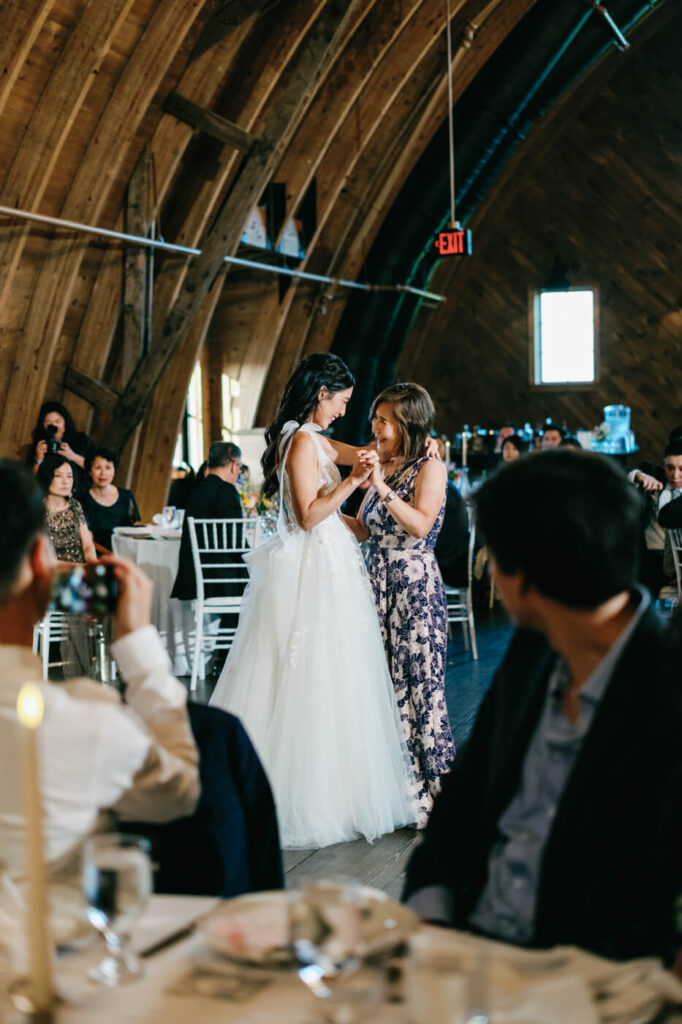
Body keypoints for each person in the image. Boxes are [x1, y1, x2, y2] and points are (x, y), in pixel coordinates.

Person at [403, 450, 682, 962]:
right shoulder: (534, 653)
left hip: (595, 981)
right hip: (464, 949)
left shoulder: (667, 686)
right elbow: (458, 812)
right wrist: (429, 918)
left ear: (524, 581)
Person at [210, 353, 414, 848]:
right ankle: (302, 796)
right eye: (341, 400)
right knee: (311, 671)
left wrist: (385, 445)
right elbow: (307, 515)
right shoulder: (301, 440)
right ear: (321, 394)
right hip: (310, 567)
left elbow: (352, 450)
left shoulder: (310, 437)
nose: (344, 409)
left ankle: (335, 790)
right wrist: (354, 483)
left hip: (327, 560)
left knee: (333, 671)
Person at [0, 460, 199, 879]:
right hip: (52, 937)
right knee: (217, 732)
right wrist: (140, 647)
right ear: (41, 563)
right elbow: (180, 791)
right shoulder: (84, 719)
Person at [359, 383, 455, 827]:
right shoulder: (385, 463)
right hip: (375, 586)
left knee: (420, 690)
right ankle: (393, 795)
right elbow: (365, 530)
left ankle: (436, 793)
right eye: (375, 417)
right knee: (383, 690)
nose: (374, 426)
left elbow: (419, 526)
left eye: (383, 419)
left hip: (413, 587)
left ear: (407, 424)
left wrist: (378, 484)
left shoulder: (428, 468)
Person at [171, 442, 244, 602]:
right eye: (239, 466)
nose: (238, 471)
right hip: (222, 580)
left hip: (193, 578)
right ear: (233, 465)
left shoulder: (196, 490)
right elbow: (236, 541)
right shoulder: (227, 491)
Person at [37, 455, 96, 564]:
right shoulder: (36, 509)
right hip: (51, 570)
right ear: (47, 477)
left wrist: (92, 565)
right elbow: (40, 556)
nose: (66, 482)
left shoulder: (75, 505)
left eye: (69, 476)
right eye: (59, 476)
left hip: (80, 569)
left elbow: (87, 544)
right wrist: (77, 568)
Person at [28, 400, 95, 496]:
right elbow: (32, 481)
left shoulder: (81, 440)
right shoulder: (41, 445)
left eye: (57, 421)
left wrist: (72, 456)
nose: (53, 425)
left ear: (65, 423)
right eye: (48, 422)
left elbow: (96, 468)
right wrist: (38, 459)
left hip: (80, 494)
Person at [81, 447, 141, 551]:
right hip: (94, 555)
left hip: (125, 553)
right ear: (90, 471)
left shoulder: (127, 496)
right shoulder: (82, 499)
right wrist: (112, 557)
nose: (103, 473)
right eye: (98, 468)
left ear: (114, 470)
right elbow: (86, 540)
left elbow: (135, 531)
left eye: (108, 467)